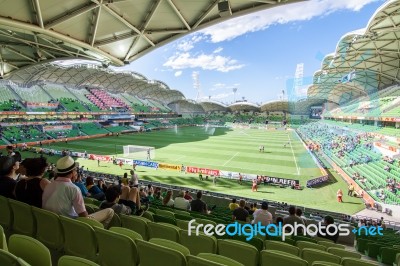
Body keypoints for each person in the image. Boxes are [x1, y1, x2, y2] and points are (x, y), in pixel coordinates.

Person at [42, 156, 114, 227]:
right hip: (71, 224)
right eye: (75, 170)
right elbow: (83, 216)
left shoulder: (49, 186)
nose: (76, 172)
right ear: (72, 172)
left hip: (52, 223)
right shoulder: (73, 189)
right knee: (110, 211)